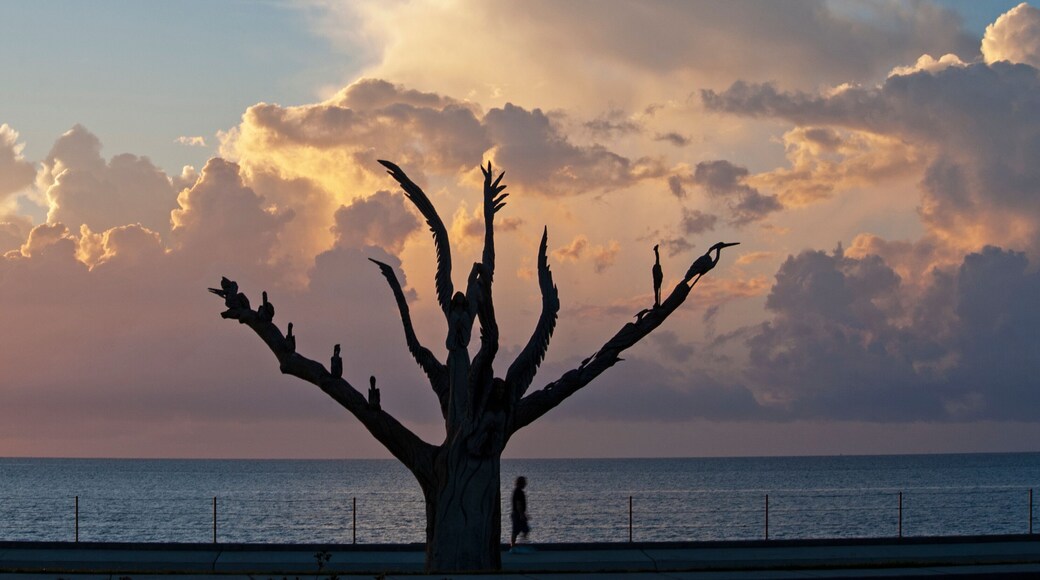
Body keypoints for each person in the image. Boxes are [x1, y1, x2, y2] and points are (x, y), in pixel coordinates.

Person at [510, 476, 529, 548]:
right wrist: (521, 514)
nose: (525, 484)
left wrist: (524, 514)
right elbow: (518, 504)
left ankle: (519, 544)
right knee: (516, 530)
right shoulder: (518, 492)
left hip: (518, 514)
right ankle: (513, 546)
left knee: (524, 529)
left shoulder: (518, 491)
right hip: (517, 514)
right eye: (524, 483)